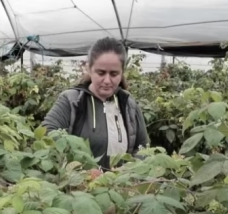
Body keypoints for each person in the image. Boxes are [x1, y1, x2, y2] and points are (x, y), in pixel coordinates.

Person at [41, 37, 149, 169]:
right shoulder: (72, 100)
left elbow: (143, 148)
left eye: (114, 74)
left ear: (122, 73)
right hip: (78, 185)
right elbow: (47, 134)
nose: (107, 80)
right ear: (89, 68)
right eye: (101, 73)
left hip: (120, 186)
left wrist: (129, 172)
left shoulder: (128, 104)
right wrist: (77, 167)